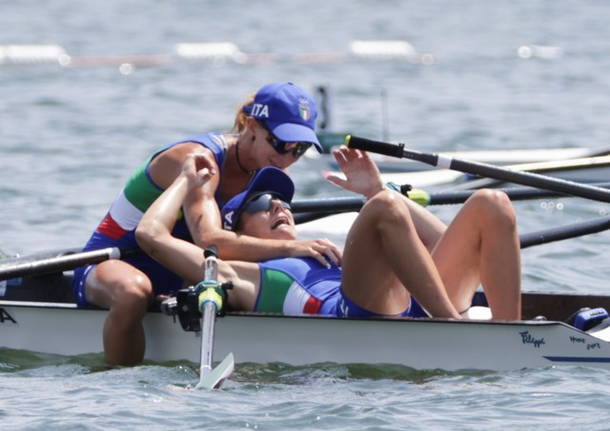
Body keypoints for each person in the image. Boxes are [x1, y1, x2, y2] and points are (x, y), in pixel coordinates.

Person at [73, 82, 342, 366]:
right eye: (282, 143)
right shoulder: (199, 159)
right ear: (252, 126)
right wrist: (294, 248)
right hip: (114, 264)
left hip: (181, 268)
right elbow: (209, 241)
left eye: (299, 150)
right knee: (133, 292)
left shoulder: (264, 170)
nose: (287, 158)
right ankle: (117, 384)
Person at [136, 147, 522, 322]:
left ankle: (512, 335)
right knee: (385, 209)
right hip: (356, 311)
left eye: (284, 202)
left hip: (414, 301)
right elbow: (150, 236)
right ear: (237, 230)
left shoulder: (316, 250)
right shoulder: (235, 273)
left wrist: (376, 188)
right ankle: (453, 331)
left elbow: (447, 248)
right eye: (262, 204)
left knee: (492, 202)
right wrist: (184, 182)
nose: (279, 207)